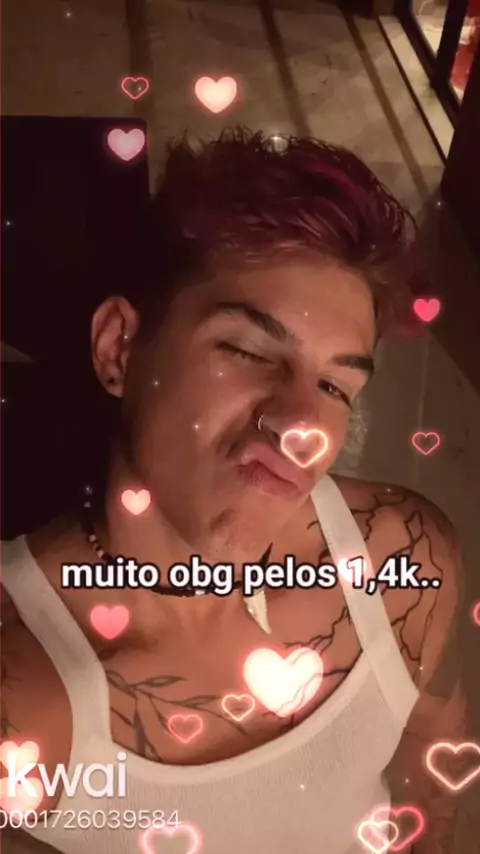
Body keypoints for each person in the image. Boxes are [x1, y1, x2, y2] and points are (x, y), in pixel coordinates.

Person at [1, 128, 466, 854]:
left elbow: (434, 766)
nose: (302, 425)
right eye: (249, 350)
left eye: (336, 387)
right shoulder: (28, 688)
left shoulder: (404, 563)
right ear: (120, 347)